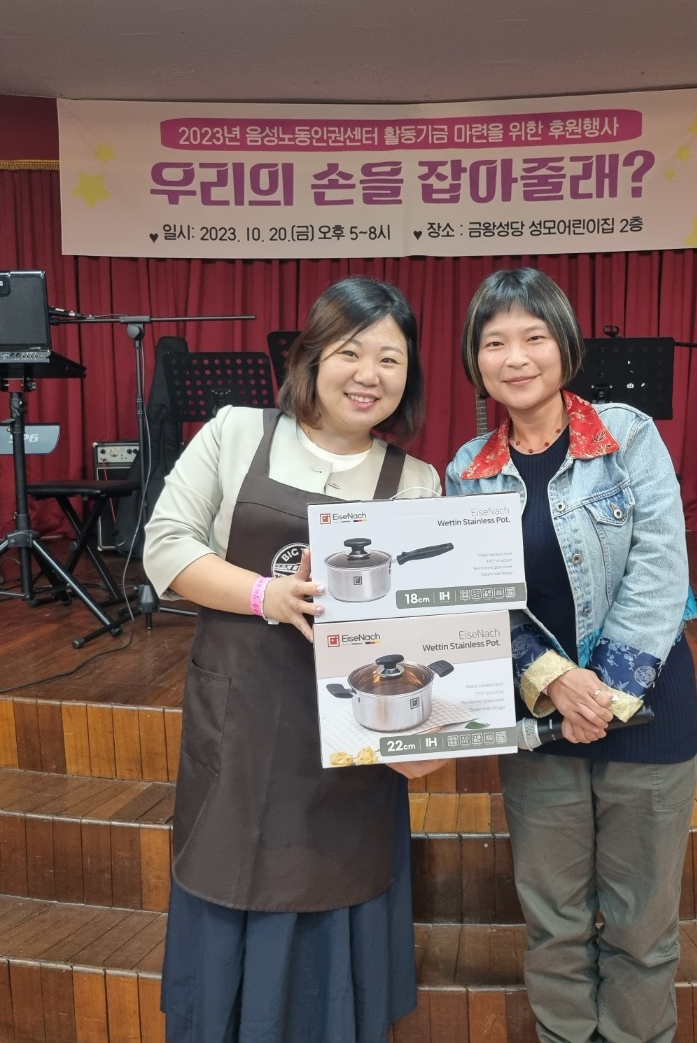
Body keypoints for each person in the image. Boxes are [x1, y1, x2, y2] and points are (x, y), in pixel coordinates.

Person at [143, 276, 445, 1043]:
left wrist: (436, 724)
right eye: (350, 352)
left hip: (347, 739)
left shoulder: (415, 482)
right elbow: (166, 548)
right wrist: (266, 596)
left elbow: (424, 628)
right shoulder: (235, 433)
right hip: (240, 720)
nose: (368, 375)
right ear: (310, 357)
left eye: (390, 359)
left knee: (334, 883)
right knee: (227, 869)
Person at [446, 268, 697, 1043]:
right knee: (552, 925)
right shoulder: (466, 470)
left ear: (563, 345)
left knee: (641, 928)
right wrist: (553, 680)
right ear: (475, 359)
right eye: (494, 342)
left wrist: (605, 693)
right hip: (537, 719)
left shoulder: (626, 435)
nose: (515, 357)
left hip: (648, 710)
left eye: (533, 337)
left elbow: (661, 567)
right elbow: (477, 601)